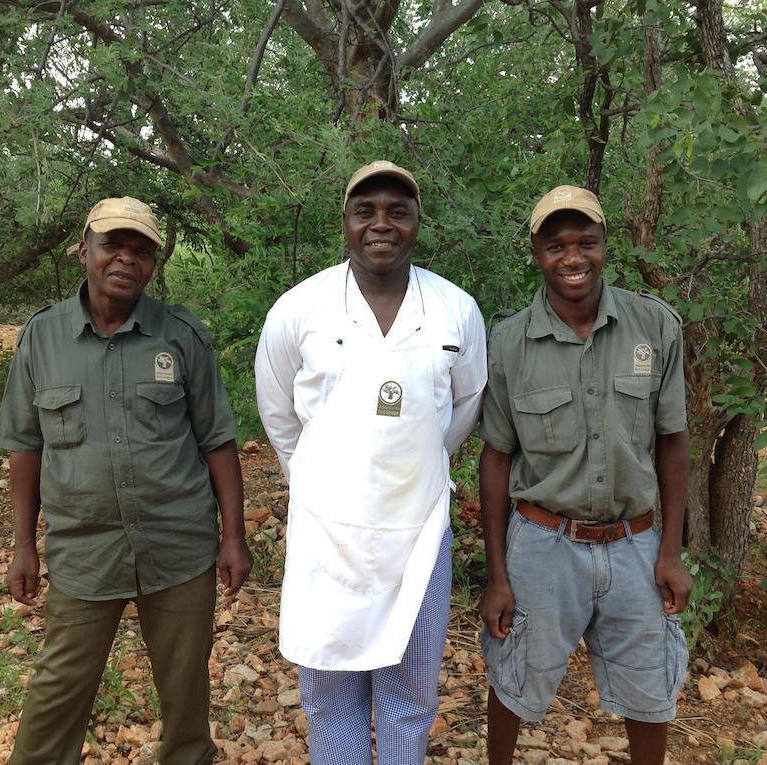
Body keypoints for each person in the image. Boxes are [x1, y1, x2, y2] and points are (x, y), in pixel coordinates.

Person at [0, 196, 252, 765]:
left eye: (141, 250)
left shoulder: (181, 334)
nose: (126, 259)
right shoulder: (42, 337)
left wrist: (233, 536)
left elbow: (217, 439)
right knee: (59, 688)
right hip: (84, 549)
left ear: (153, 264)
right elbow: (24, 446)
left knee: (186, 694)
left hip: (178, 545)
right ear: (84, 249)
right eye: (113, 244)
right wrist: (22, 545)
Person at [255, 161, 487, 765]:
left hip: (419, 530)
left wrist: (422, 460)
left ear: (415, 223)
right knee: (331, 694)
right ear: (346, 223)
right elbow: (278, 412)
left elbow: (466, 403)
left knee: (409, 690)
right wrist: (309, 477)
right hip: (325, 533)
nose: (381, 224)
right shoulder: (300, 308)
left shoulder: (455, 309)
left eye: (397, 211)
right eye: (366, 212)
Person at [478, 185, 692, 765]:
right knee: (514, 678)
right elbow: (496, 458)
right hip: (543, 546)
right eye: (555, 246)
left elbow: (673, 442)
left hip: (636, 547)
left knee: (651, 692)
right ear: (536, 254)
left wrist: (670, 551)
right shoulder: (510, 342)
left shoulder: (654, 326)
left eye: (585, 243)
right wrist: (497, 575)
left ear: (604, 246)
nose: (572, 258)